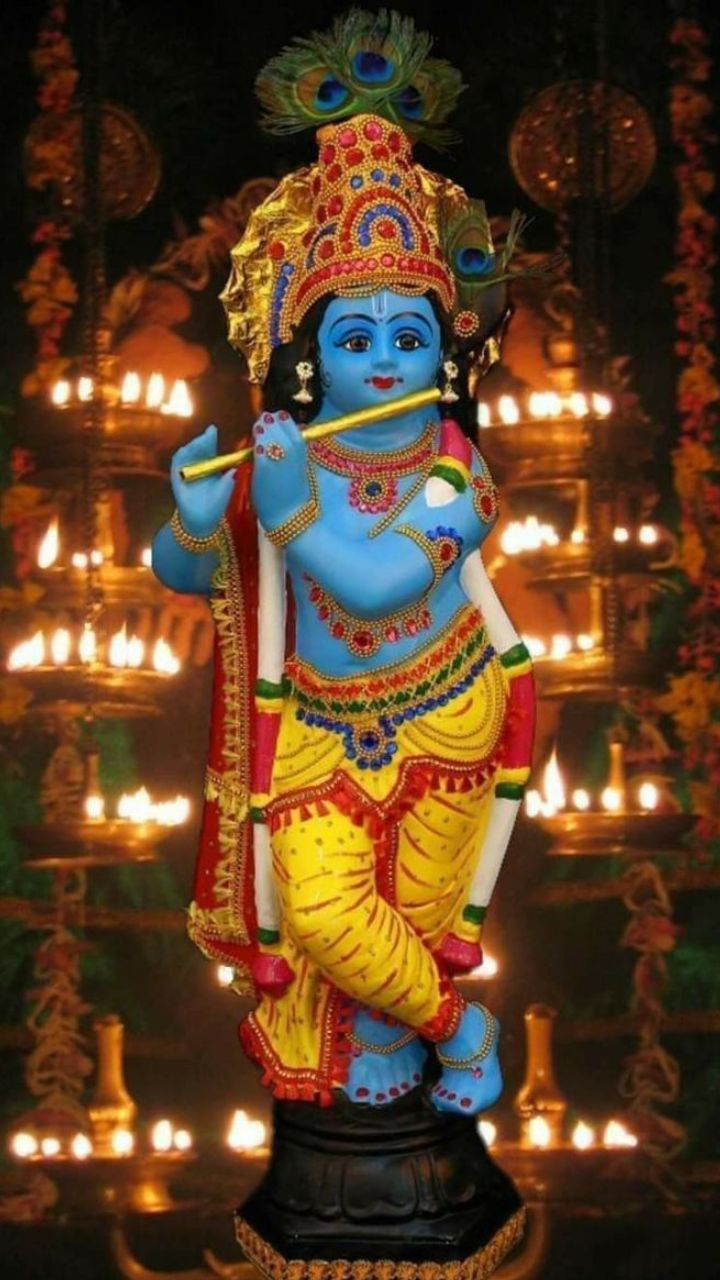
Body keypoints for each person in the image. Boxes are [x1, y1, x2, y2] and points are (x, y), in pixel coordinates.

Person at [152, 23, 535, 1117]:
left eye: (408, 338)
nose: (383, 361)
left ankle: (406, 1047)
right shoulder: (291, 453)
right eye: (354, 340)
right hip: (319, 722)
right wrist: (195, 521)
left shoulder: (457, 468)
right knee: (323, 912)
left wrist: (287, 514)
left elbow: (377, 586)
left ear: (443, 354)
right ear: (311, 357)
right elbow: (187, 574)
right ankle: (465, 1027)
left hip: (448, 715)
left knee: (396, 947)